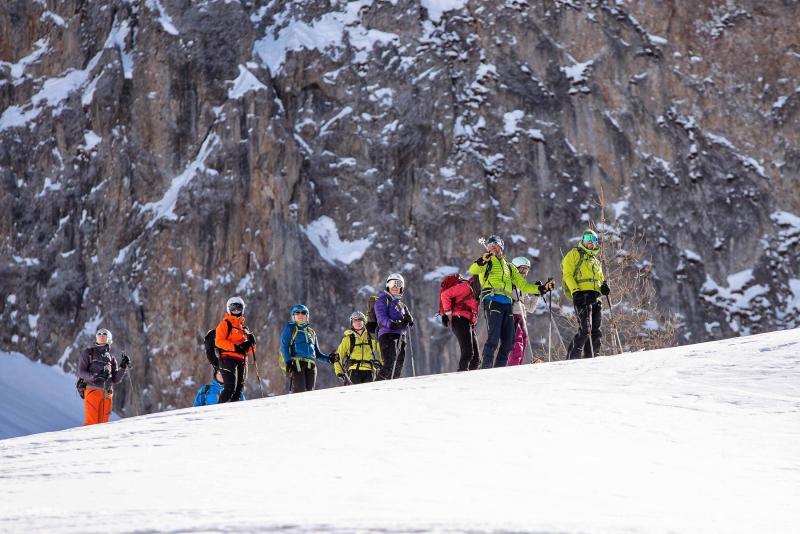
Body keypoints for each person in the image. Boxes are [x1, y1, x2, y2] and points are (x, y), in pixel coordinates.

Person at [469, 235, 554, 369]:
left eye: (495, 245)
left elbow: (523, 286)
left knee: (509, 341)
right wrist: (482, 260)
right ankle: (486, 368)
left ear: (501, 247)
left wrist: (541, 289)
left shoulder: (509, 267)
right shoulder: (487, 262)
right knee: (494, 337)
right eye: (490, 246)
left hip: (507, 303)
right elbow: (473, 270)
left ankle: (500, 369)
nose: (493, 248)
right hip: (492, 299)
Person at [562, 229, 609, 359]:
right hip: (582, 296)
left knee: (596, 331)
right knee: (585, 329)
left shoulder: (596, 261)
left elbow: (600, 280)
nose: (590, 242)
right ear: (583, 240)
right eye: (588, 238)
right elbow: (567, 274)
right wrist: (575, 291)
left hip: (595, 297)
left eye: (593, 240)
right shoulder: (574, 254)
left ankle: (592, 357)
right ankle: (573, 358)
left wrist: (603, 288)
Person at [77, 328, 130, 425]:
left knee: (104, 424)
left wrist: (123, 366)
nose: (101, 335)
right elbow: (81, 372)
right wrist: (96, 376)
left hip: (107, 394)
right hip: (92, 391)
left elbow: (115, 379)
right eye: (99, 334)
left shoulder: (112, 359)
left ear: (109, 338)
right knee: (92, 423)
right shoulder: (88, 353)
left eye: (104, 334)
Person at [279, 304, 332, 393]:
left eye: (303, 313)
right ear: (293, 316)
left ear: (307, 316)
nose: (300, 315)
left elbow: (317, 354)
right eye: (297, 313)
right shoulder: (290, 328)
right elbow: (284, 347)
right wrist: (288, 363)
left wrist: (329, 359)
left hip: (311, 366)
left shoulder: (311, 332)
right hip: (296, 364)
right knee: (300, 391)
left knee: (309, 393)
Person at [214, 296, 255, 403]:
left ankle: (231, 414)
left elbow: (251, 351)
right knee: (229, 387)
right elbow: (218, 341)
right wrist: (235, 347)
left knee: (239, 390)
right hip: (228, 359)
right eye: (233, 308)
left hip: (242, 360)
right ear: (229, 309)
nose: (236, 310)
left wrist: (251, 342)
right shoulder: (225, 324)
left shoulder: (244, 329)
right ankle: (217, 410)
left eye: (238, 308)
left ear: (242, 309)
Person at [374, 273, 414, 380]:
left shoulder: (402, 305)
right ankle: (377, 386)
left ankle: (394, 388)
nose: (396, 287)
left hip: (401, 336)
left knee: (398, 365)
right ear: (388, 286)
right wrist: (393, 324)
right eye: (393, 284)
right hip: (387, 334)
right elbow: (381, 317)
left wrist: (409, 320)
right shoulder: (382, 300)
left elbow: (408, 317)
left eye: (399, 284)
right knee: (389, 363)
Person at [440, 274, 480, 371]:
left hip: (469, 322)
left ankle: (471, 381)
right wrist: (448, 313)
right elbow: (445, 295)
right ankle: (461, 377)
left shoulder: (478, 291)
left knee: (476, 358)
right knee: (468, 352)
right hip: (459, 320)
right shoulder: (466, 286)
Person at [332, 311, 382, 384]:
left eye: (360, 320)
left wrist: (383, 366)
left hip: (370, 371)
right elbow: (338, 355)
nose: (358, 323)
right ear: (352, 323)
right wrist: (339, 372)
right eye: (355, 321)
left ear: (364, 322)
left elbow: (381, 352)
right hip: (354, 371)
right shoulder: (348, 339)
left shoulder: (371, 337)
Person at [508, 257, 536, 366]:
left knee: (523, 342)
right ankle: (513, 366)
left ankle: (517, 366)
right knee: (517, 343)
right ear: (515, 269)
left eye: (526, 270)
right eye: (521, 269)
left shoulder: (523, 285)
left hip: (522, 316)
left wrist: (537, 295)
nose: (524, 273)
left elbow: (530, 308)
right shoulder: (509, 281)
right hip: (512, 314)